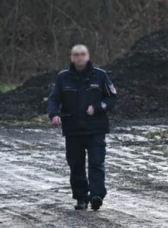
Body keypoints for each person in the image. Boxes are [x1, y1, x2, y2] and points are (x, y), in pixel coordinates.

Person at [47, 45, 117, 210]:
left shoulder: (100, 76)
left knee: (96, 163)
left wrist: (98, 107)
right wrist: (54, 114)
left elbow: (112, 98)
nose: (79, 57)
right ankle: (81, 197)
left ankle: (96, 195)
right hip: (73, 130)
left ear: (88, 56)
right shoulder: (63, 78)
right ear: (71, 58)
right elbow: (54, 99)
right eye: (76, 55)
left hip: (96, 129)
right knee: (76, 165)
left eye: (82, 54)